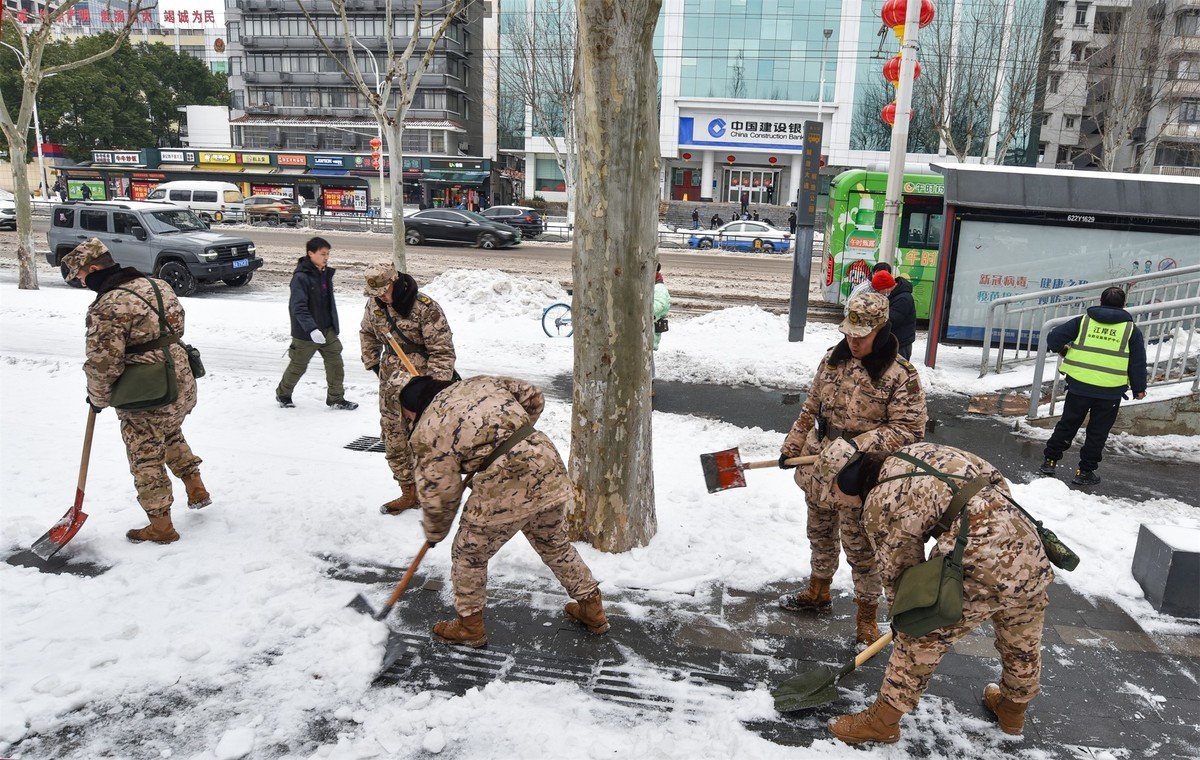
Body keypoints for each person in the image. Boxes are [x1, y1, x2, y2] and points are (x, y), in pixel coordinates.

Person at [826, 442, 1054, 745]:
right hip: (1027, 544)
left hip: (979, 558)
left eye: (836, 494)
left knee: (920, 634)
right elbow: (994, 478)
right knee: (1021, 636)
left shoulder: (880, 502)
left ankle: (883, 722)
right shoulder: (918, 451)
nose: (838, 502)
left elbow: (899, 572)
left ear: (848, 481)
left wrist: (905, 617)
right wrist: (986, 522)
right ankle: (1012, 710)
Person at [401, 374, 609, 648]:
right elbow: (534, 397)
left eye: (407, 416)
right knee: (553, 542)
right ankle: (592, 609)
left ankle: (469, 627)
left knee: (469, 554)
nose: (408, 421)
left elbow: (440, 492)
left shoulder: (426, 429)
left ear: (414, 408)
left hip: (505, 480)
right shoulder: (478, 383)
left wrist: (434, 533)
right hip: (544, 460)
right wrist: (510, 438)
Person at [778, 291, 927, 644]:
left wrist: (858, 445)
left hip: (860, 478)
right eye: (848, 334)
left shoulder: (900, 375)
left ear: (881, 330)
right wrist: (792, 444)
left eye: (861, 336)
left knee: (861, 549)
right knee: (819, 533)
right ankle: (818, 592)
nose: (853, 342)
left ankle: (866, 616)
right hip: (819, 466)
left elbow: (909, 430)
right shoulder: (833, 359)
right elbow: (811, 407)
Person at [64, 238, 211, 545]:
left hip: (148, 390)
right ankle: (196, 488)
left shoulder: (108, 306)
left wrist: (98, 397)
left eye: (80, 276)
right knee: (169, 432)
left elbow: (103, 363)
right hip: (180, 380)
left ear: (94, 269)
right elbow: (176, 325)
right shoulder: (157, 285)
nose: (81, 282)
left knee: (145, 455)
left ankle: (161, 526)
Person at [360, 262, 457, 515]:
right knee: (393, 437)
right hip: (390, 383)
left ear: (395, 282)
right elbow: (367, 333)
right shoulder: (374, 305)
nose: (381, 297)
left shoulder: (425, 308)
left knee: (426, 439)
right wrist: (374, 364)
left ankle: (434, 492)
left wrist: (433, 391)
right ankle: (408, 492)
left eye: (384, 291)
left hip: (421, 383)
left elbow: (443, 352)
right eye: (375, 293)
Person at [1040, 286, 1146, 486]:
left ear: (1101, 302)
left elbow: (1054, 338)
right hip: (1110, 391)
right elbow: (1137, 361)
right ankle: (1085, 472)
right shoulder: (1130, 330)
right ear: (1123, 305)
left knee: (1068, 424)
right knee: (1098, 432)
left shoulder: (1083, 321)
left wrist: (1064, 351)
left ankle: (1050, 462)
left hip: (1079, 386)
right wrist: (1139, 388)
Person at [275, 237, 357, 411]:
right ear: (310, 254)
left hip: (327, 330)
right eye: (323, 254)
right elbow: (298, 307)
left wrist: (332, 326)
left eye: (328, 254)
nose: (326, 257)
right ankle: (283, 394)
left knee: (336, 364)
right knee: (298, 366)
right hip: (306, 333)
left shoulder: (324, 273)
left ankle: (336, 398)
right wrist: (312, 329)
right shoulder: (301, 278)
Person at [872, 270, 917, 360]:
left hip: (900, 344)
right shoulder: (894, 295)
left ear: (885, 288)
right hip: (893, 341)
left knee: (897, 367)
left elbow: (890, 320)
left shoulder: (903, 299)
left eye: (878, 290)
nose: (878, 293)